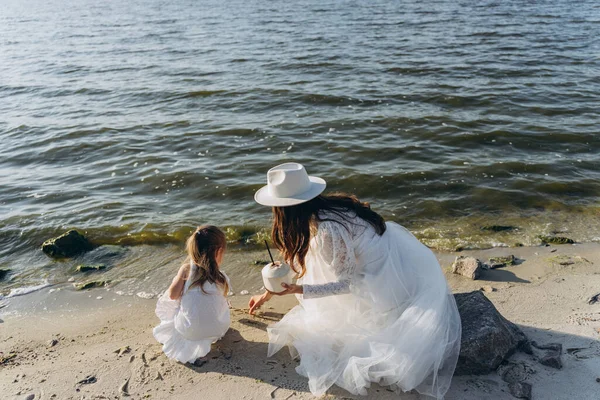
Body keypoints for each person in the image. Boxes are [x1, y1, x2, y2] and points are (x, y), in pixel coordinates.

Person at [248, 163, 461, 398]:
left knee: (328, 324)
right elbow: (309, 256)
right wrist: (269, 291)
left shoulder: (329, 229)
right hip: (393, 255)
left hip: (382, 279)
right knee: (318, 262)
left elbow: (347, 284)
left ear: (284, 209)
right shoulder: (330, 206)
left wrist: (299, 288)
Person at [153, 225, 231, 364]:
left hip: (189, 331)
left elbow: (172, 295)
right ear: (219, 251)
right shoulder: (221, 277)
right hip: (219, 329)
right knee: (220, 302)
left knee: (179, 300)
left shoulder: (186, 270)